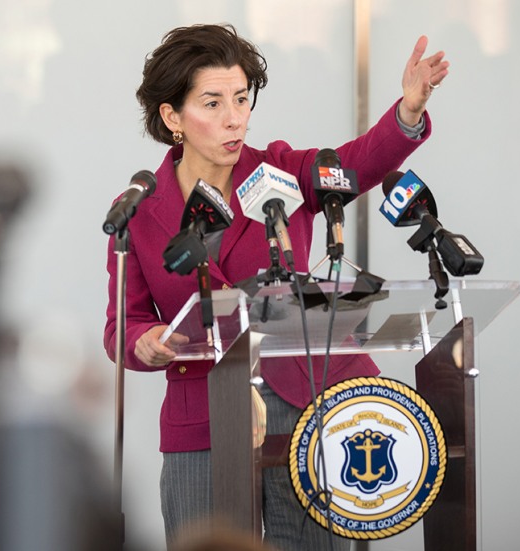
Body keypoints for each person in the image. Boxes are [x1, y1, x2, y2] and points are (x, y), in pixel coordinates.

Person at [104, 23, 448, 551]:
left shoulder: (281, 173)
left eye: (242, 99)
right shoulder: (140, 212)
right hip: (203, 420)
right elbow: (122, 327)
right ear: (172, 117)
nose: (234, 118)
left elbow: (356, 164)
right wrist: (144, 343)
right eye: (213, 103)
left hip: (305, 407)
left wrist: (406, 113)